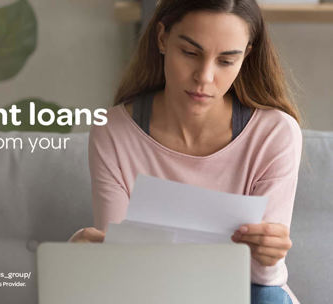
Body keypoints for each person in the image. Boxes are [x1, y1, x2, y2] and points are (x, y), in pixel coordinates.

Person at [69, 0, 303, 303]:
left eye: (226, 61)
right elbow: (122, 268)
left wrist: (270, 258)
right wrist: (78, 254)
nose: (204, 77)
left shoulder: (274, 133)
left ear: (246, 55)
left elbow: (262, 279)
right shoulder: (113, 131)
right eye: (190, 53)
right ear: (162, 38)